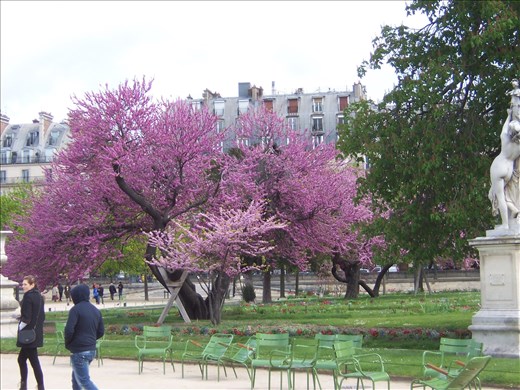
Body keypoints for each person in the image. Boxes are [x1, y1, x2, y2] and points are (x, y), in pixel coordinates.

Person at [489, 79, 520, 229]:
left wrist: (509, 116)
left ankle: (505, 225)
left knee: (497, 196)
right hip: (510, 168)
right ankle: (514, 209)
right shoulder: (517, 145)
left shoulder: (505, 138)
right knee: (494, 194)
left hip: (499, 165)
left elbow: (503, 130)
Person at [65, 284, 104, 390]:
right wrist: (90, 339)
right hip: (91, 349)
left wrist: (68, 343)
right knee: (76, 379)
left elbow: (69, 330)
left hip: (79, 349)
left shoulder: (75, 310)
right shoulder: (96, 310)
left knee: (84, 381)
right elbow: (101, 331)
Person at [17, 275, 45, 390]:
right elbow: (40, 315)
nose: (23, 286)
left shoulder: (28, 297)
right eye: (22, 284)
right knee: (25, 359)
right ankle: (33, 385)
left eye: (25, 284)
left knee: (30, 360)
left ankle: (28, 385)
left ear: (32, 285)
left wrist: (20, 326)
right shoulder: (39, 296)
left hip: (28, 333)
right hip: (35, 332)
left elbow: (27, 317)